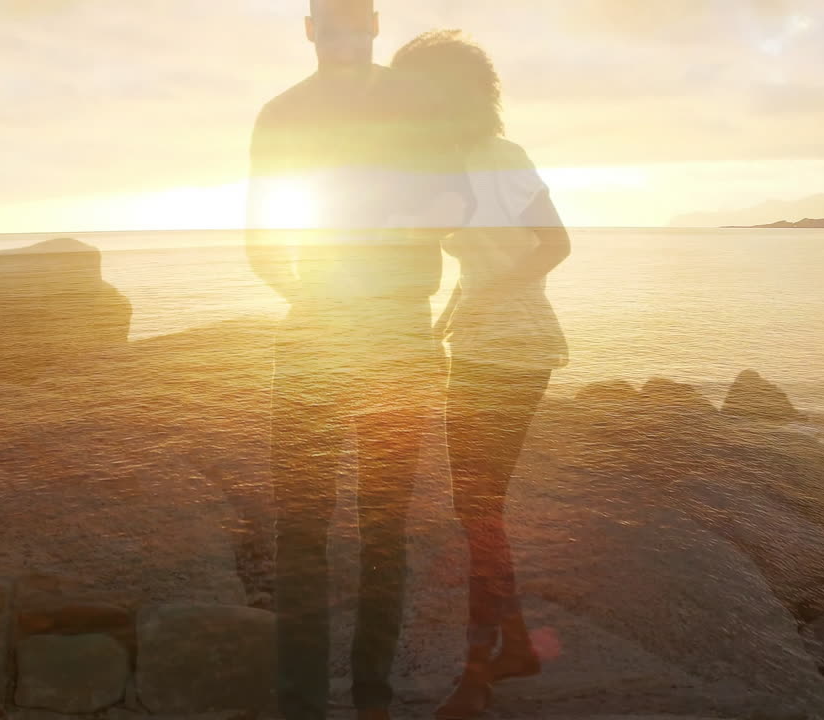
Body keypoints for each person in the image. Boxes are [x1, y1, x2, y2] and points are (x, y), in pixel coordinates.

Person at [245, 3, 474, 719]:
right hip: (338, 331)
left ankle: (363, 698)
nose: (348, 33)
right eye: (334, 21)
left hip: (382, 334)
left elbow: (459, 203)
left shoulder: (405, 105)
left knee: (374, 527)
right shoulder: (282, 114)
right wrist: (321, 293)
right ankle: (318, 703)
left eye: (358, 20)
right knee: (314, 530)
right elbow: (261, 238)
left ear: (375, 25)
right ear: (309, 29)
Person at [391, 30, 571, 719]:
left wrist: (487, 295)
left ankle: (475, 674)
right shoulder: (475, 159)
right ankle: (517, 646)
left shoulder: (477, 163)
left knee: (477, 510)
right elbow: (500, 249)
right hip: (487, 345)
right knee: (479, 509)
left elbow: (556, 245)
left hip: (510, 349)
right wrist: (459, 308)